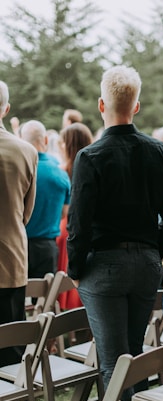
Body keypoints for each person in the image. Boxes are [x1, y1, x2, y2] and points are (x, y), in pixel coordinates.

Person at [66, 65, 163, 401]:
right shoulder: (160, 152)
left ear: (101, 105)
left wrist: (75, 270)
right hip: (145, 265)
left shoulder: (90, 157)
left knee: (114, 364)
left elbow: (79, 224)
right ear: (136, 106)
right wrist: (152, 250)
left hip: (104, 266)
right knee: (135, 357)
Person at [0, 80, 38, 367]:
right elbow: (27, 213)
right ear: (6, 109)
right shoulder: (26, 150)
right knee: (10, 346)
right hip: (11, 258)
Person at [21, 120, 71, 280]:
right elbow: (64, 213)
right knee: (43, 301)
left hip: (19, 245)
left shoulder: (19, 170)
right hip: (47, 247)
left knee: (15, 300)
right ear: (46, 140)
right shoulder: (60, 173)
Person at [56, 122, 93, 311]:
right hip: (89, 229)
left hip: (65, 228)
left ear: (67, 145)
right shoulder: (93, 167)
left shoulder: (61, 170)